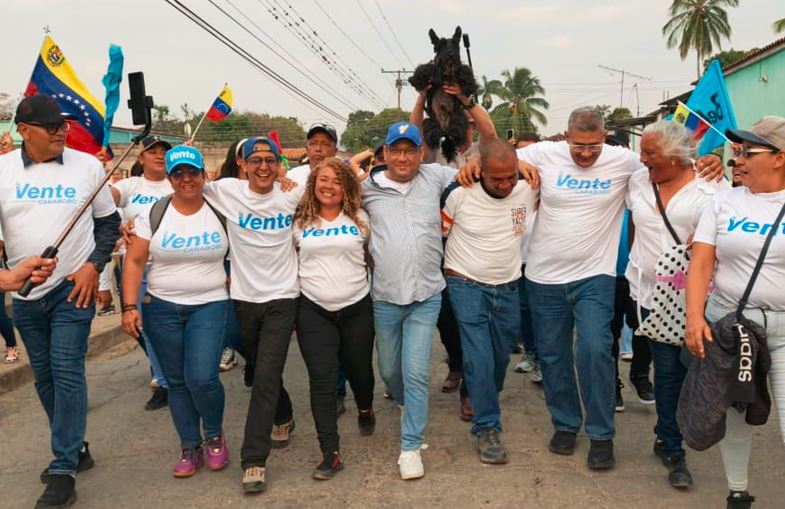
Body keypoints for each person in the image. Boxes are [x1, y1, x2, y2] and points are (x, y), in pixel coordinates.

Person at [457, 107, 723, 470]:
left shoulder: (625, 161)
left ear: (604, 138)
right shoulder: (542, 154)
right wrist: (474, 163)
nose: (585, 154)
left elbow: (673, 162)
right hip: (543, 278)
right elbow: (494, 152)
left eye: (593, 147)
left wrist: (710, 161)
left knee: (596, 349)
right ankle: (565, 423)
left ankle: (601, 433)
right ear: (566, 137)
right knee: (552, 357)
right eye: (578, 146)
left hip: (594, 276)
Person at [0, 95, 120, 508]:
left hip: (74, 289)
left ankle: (63, 467)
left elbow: (109, 224)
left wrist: (94, 266)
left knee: (67, 371)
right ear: (23, 130)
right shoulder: (2, 171)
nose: (60, 132)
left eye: (62, 125)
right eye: (50, 126)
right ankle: (75, 445)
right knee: (46, 376)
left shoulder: (88, 166)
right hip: (27, 296)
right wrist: (7, 277)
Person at [686, 117, 785, 509]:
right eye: (737, 152)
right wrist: (695, 317)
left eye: (748, 152)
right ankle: (738, 492)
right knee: (738, 414)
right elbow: (701, 263)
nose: (737, 159)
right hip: (732, 327)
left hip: (783, 331)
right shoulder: (722, 201)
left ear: (780, 158)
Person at [202, 136, 305, 494]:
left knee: (263, 376)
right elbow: (185, 187)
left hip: (283, 297)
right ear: (242, 164)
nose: (264, 166)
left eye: (271, 160)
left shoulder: (292, 194)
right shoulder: (227, 191)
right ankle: (284, 413)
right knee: (263, 369)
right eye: (256, 160)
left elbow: (337, 182)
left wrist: (290, 182)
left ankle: (254, 459)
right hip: (244, 300)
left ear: (280, 165)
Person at [122, 145, 231, 478]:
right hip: (162, 307)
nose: (186, 179)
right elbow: (136, 260)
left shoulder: (221, 209)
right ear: (169, 178)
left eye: (192, 172)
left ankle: (213, 435)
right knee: (176, 382)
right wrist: (129, 306)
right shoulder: (154, 213)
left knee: (203, 377)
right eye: (178, 173)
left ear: (204, 175)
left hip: (210, 304)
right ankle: (189, 445)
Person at [361, 121, 459, 480]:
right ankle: (403, 403)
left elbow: (477, 165)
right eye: (395, 150)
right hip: (385, 296)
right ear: (385, 154)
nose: (402, 157)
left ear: (421, 153)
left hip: (426, 294)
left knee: (416, 372)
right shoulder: (366, 189)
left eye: (410, 150)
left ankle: (410, 445)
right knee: (389, 371)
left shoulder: (435, 177)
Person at [627, 120, 722, 488]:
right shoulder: (637, 180)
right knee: (666, 372)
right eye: (643, 151)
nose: (642, 158)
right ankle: (672, 446)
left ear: (677, 155)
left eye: (650, 153)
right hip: (647, 295)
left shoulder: (711, 188)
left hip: (694, 301)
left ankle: (669, 431)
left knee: (685, 374)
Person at [442, 139, 539, 464]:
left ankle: (476, 389)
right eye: (497, 178)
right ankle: (486, 427)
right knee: (479, 355)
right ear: (479, 170)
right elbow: (440, 233)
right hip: (465, 283)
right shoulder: (458, 193)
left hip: (509, 286)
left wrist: (524, 168)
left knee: (499, 358)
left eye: (510, 176)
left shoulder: (530, 186)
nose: (505, 184)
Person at [293, 157, 375, 480]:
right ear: (313, 184)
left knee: (360, 373)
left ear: (347, 187)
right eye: (322, 179)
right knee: (322, 381)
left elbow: (374, 255)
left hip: (356, 307)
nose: (329, 186)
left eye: (337, 181)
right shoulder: (299, 222)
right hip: (313, 311)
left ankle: (365, 407)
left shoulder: (361, 218)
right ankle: (331, 452)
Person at [111, 135, 174, 411]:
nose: (159, 156)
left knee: (172, 325)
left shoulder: (179, 182)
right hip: (138, 266)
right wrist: (117, 225)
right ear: (140, 158)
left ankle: (175, 376)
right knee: (142, 327)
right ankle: (163, 381)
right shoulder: (131, 185)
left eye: (163, 152)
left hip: (171, 265)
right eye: (152, 152)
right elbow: (99, 201)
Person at [605, 128, 654, 411]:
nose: (614, 154)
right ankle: (612, 384)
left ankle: (639, 375)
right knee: (608, 334)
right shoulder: (602, 191)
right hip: (607, 275)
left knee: (644, 331)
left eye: (618, 147)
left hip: (642, 275)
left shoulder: (647, 188)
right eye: (608, 147)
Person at [512, 131, 542, 379]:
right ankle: (531, 354)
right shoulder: (510, 185)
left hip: (543, 261)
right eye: (520, 154)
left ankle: (545, 360)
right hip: (517, 261)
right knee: (524, 310)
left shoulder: (548, 184)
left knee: (542, 312)